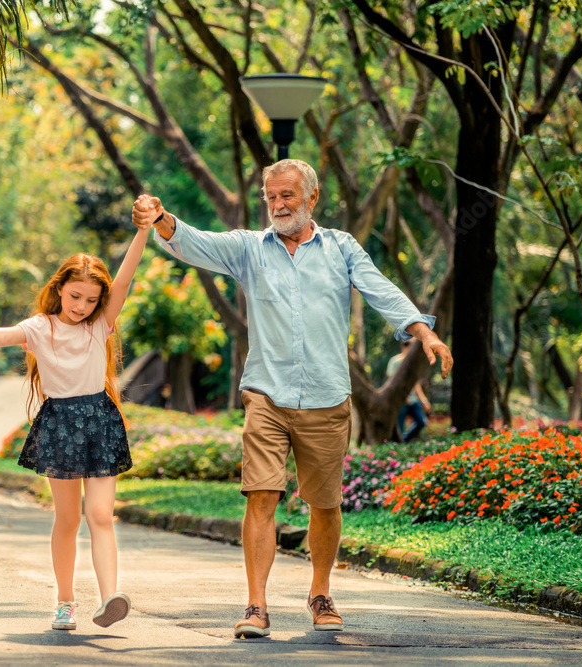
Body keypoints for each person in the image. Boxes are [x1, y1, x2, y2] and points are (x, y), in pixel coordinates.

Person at [131, 159, 453, 637]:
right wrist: (160, 218)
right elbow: (195, 241)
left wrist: (423, 332)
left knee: (323, 504)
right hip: (267, 392)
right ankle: (256, 606)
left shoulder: (342, 248)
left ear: (312, 198)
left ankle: (320, 591)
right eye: (271, 197)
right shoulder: (248, 249)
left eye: (287, 196)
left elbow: (381, 290)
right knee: (261, 494)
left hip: (327, 397)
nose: (278, 205)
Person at [0, 215, 152, 632]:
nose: (82, 305)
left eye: (90, 299)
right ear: (59, 290)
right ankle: (65, 601)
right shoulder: (39, 327)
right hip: (60, 422)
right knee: (67, 519)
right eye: (75, 296)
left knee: (100, 513)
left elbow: (124, 279)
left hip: (99, 419)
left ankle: (108, 599)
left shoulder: (100, 325)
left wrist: (143, 230)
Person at [386, 340, 432, 441]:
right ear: (403, 347)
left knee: (422, 422)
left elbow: (416, 385)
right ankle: (398, 445)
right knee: (400, 426)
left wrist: (424, 401)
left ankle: (404, 440)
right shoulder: (395, 362)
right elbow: (391, 383)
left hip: (413, 400)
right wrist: (403, 397)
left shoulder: (413, 363)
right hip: (400, 401)